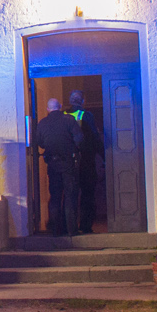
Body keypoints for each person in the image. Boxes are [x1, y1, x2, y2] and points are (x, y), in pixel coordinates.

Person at [35, 97, 82, 235]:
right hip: (68, 163)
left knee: (55, 196)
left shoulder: (42, 123)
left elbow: (40, 143)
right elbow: (79, 139)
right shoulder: (69, 120)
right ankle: (71, 230)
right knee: (69, 195)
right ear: (60, 106)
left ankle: (56, 230)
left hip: (53, 164)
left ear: (48, 109)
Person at [68, 90, 104, 234]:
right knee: (87, 195)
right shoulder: (86, 115)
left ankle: (69, 226)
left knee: (70, 195)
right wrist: (104, 156)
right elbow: (95, 138)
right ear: (83, 101)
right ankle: (85, 225)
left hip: (70, 162)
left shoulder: (64, 115)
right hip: (86, 161)